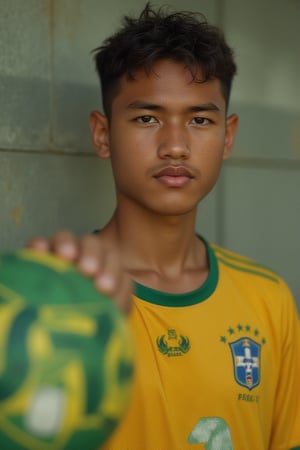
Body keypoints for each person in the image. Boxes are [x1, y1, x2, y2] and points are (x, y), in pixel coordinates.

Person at [28, 3, 300, 449]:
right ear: (102, 133)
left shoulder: (267, 299)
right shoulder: (55, 301)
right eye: (147, 118)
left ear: (227, 136)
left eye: (199, 120)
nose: (175, 146)